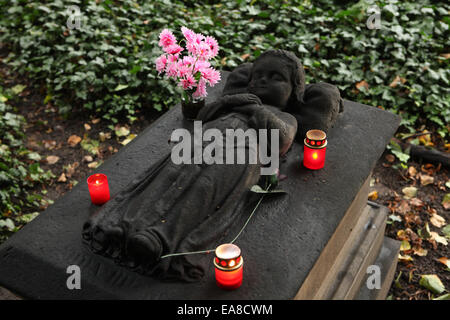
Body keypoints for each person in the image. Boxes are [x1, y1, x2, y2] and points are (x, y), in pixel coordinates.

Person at [82, 49, 342, 282]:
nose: (263, 80)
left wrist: (257, 110)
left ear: (293, 93)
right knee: (169, 175)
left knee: (204, 189)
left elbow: (283, 140)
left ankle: (160, 235)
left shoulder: (285, 115)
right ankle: (124, 222)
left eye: (276, 77)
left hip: (241, 155)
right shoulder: (234, 102)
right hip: (205, 140)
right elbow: (202, 116)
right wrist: (229, 102)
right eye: (258, 75)